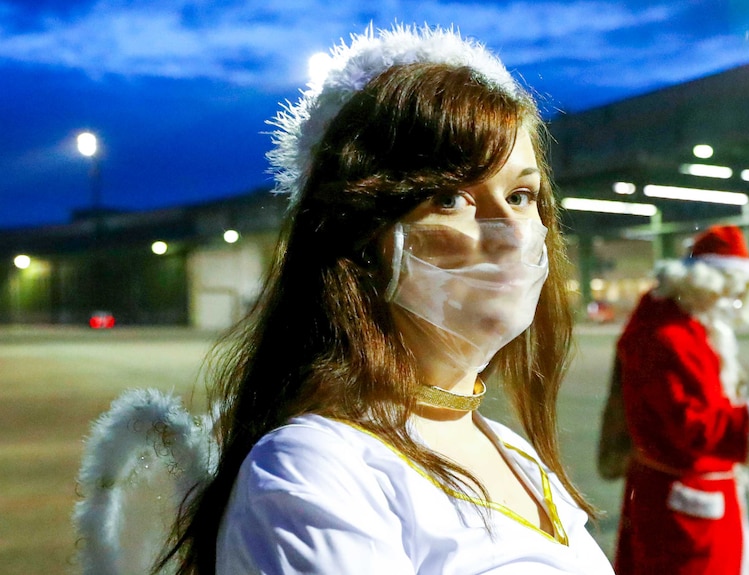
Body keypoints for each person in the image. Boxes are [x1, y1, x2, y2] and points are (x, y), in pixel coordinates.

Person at [157, 24, 615, 574]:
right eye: (451, 199)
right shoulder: (312, 471)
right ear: (361, 235)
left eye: (521, 196)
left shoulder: (514, 452)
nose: (512, 233)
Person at [611, 224, 749, 575]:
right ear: (704, 284)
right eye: (728, 291)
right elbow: (693, 426)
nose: (731, 303)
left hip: (685, 494)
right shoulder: (669, 337)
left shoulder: (686, 324)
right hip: (683, 504)